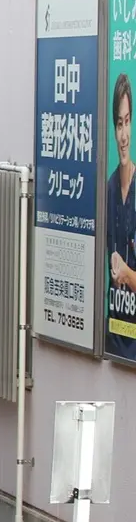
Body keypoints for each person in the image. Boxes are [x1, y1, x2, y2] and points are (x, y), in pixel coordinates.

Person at [106, 73, 136, 359]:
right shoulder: (110, 188)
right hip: (112, 334)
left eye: (127, 122)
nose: (124, 135)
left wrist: (127, 274)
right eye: (119, 124)